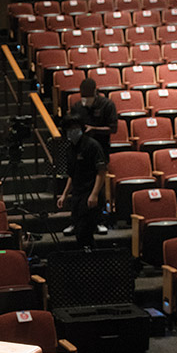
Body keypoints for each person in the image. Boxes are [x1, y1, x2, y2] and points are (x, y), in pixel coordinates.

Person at [65, 77, 116, 235]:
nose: (85, 99)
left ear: (95, 92)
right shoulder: (77, 106)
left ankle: (99, 221)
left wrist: (94, 128)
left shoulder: (107, 105)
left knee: (97, 187)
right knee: (78, 186)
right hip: (80, 149)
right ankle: (76, 222)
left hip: (99, 148)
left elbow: (113, 129)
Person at [57, 114, 107, 249]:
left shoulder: (92, 145)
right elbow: (72, 176)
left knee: (85, 231)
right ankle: (87, 259)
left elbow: (101, 171)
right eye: (70, 128)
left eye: (75, 127)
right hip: (77, 195)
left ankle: (91, 260)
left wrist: (95, 194)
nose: (73, 131)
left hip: (90, 193)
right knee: (80, 233)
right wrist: (64, 194)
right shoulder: (70, 150)